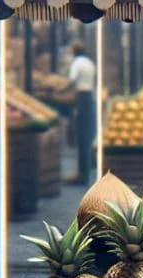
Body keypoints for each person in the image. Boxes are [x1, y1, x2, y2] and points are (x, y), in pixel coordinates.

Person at [64, 43, 97, 185]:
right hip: (89, 97)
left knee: (81, 136)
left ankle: (82, 175)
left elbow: (71, 80)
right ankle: (85, 172)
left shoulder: (77, 63)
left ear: (74, 52)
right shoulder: (90, 63)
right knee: (87, 135)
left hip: (81, 98)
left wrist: (60, 89)